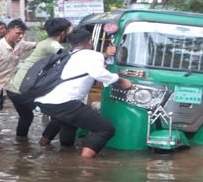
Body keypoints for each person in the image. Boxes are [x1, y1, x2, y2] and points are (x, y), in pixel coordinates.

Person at [35, 29, 133, 158]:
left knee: (67, 122)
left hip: (45, 101)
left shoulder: (69, 55)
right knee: (106, 129)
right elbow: (98, 73)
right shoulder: (93, 55)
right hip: (64, 102)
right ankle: (84, 163)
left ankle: (52, 149)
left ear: (71, 45)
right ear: (90, 42)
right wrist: (120, 80)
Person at [6, 18, 72, 139]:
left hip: (13, 88)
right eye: (69, 30)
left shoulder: (44, 42)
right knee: (59, 115)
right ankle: (45, 142)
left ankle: (21, 144)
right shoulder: (53, 44)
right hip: (22, 89)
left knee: (27, 117)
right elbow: (69, 57)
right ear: (63, 32)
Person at [0, 20, 37, 126]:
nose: (21, 36)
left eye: (23, 33)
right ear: (8, 31)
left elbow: (37, 45)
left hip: (4, 85)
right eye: (18, 33)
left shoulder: (20, 45)